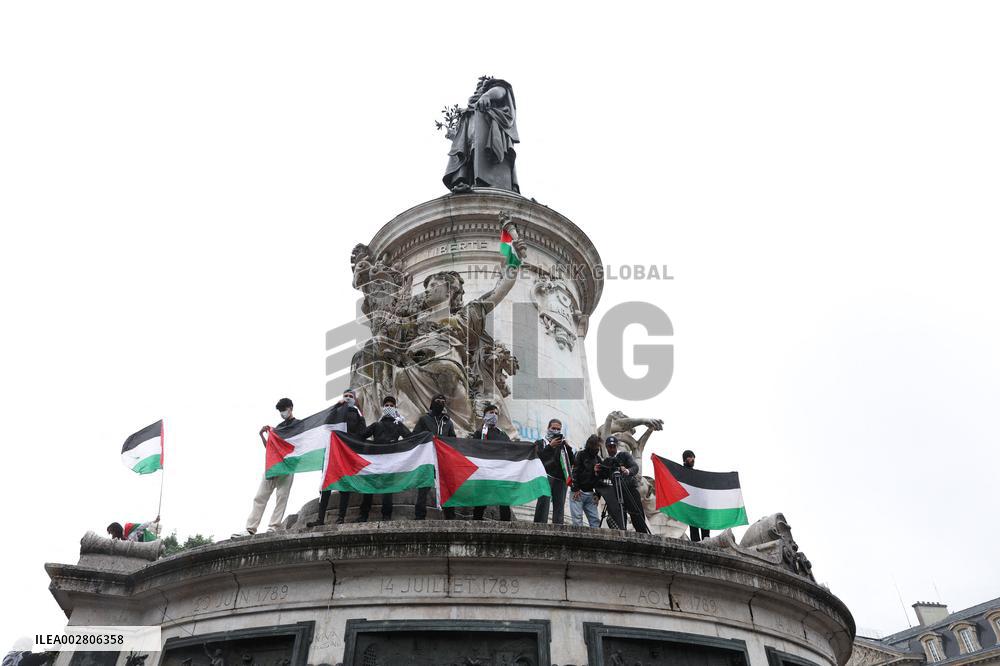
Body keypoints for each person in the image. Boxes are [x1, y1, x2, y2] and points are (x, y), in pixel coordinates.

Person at [442, 76, 519, 193]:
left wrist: (487, 95)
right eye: (476, 88)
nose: (477, 90)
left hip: (488, 138)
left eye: (481, 86)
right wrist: (454, 135)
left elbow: (500, 90)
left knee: (481, 157)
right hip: (471, 144)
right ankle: (466, 181)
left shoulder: (493, 94)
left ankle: (487, 182)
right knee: (470, 158)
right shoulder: (471, 110)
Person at [234, 398, 297, 537]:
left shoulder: (298, 426)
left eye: (284, 410)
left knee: (281, 497)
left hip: (287, 467)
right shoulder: (279, 428)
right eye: (280, 411)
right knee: (260, 496)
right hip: (273, 466)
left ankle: (273, 526)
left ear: (290, 408)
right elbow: (270, 448)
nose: (282, 413)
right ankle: (250, 528)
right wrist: (263, 435)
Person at [307, 389, 367, 527]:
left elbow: (362, 433)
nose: (347, 398)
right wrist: (336, 406)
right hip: (333, 453)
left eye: (350, 396)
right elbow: (327, 423)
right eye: (345, 396)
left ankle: (341, 517)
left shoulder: (358, 415)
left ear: (355, 399)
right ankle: (320, 519)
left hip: (347, 453)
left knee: (345, 486)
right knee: (326, 485)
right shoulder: (337, 411)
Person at [353, 395, 410, 522]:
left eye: (391, 405)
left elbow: (410, 437)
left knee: (388, 488)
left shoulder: (398, 425)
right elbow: (362, 435)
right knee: (369, 486)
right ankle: (364, 514)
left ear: (395, 408)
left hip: (391, 460)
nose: (389, 407)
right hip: (376, 460)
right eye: (387, 405)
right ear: (383, 408)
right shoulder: (376, 425)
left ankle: (386, 515)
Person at [413, 394, 458, 520]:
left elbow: (453, 439)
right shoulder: (424, 419)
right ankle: (419, 516)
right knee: (424, 487)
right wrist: (428, 437)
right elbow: (416, 435)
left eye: (443, 401)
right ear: (432, 404)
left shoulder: (448, 422)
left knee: (447, 487)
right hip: (428, 458)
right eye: (438, 401)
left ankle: (450, 516)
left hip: (443, 459)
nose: (441, 403)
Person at [595, 436, 650, 533]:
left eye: (613, 446)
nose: (612, 449)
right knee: (617, 515)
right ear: (606, 447)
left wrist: (627, 471)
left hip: (629, 489)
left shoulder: (624, 455)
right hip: (616, 492)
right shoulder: (607, 462)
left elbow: (635, 467)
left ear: (616, 446)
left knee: (637, 514)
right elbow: (601, 479)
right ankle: (621, 533)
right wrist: (596, 472)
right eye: (609, 447)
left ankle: (643, 534)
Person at [471, 404, 512, 521]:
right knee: (480, 500)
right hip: (484, 471)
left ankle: (507, 526)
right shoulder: (479, 433)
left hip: (500, 471)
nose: (494, 415)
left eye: (496, 413)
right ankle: (476, 523)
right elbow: (474, 449)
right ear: (484, 416)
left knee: (504, 500)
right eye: (491, 413)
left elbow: (511, 449)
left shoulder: (502, 434)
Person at [533, 419, 574, 524]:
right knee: (543, 504)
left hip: (560, 479)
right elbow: (538, 458)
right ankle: (539, 528)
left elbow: (572, 462)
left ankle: (558, 530)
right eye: (553, 428)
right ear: (548, 428)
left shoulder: (562, 445)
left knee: (559, 508)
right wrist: (550, 446)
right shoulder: (540, 443)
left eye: (558, 429)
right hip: (545, 477)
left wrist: (568, 448)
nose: (556, 431)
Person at [569, 435, 602, 528]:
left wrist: (598, 494)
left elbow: (600, 479)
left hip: (591, 493)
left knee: (595, 520)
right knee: (577, 520)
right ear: (591, 445)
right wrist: (575, 488)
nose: (597, 448)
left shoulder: (598, 459)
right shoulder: (581, 454)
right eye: (596, 446)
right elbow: (575, 472)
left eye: (598, 446)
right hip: (578, 492)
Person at [683, 449, 711, 542]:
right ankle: (697, 544)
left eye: (693, 457)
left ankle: (707, 544)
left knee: (705, 527)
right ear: (685, 459)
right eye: (690, 457)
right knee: (694, 529)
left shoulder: (697, 474)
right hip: (691, 505)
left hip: (701, 504)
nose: (693, 459)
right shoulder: (680, 473)